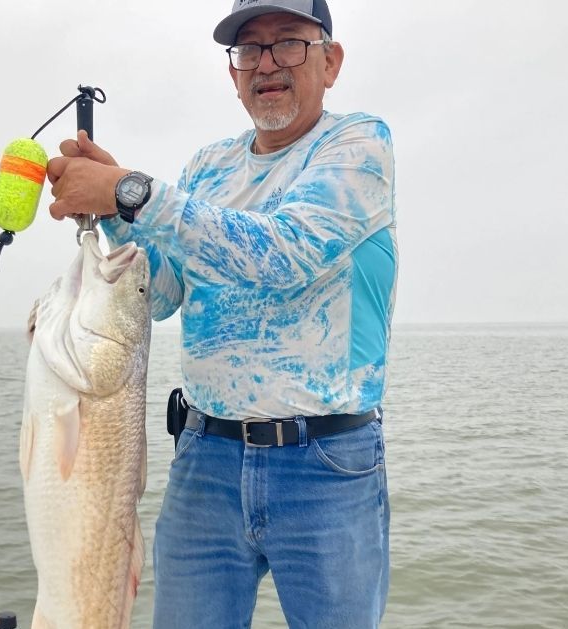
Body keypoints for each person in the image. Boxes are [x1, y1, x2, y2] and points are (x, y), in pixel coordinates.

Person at [46, 1, 397, 626]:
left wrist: (134, 194)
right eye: (248, 50)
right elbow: (161, 293)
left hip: (326, 464)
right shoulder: (206, 168)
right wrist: (109, 220)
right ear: (233, 73)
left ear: (331, 60)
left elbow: (286, 252)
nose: (267, 64)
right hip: (204, 458)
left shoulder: (359, 144)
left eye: (288, 43)